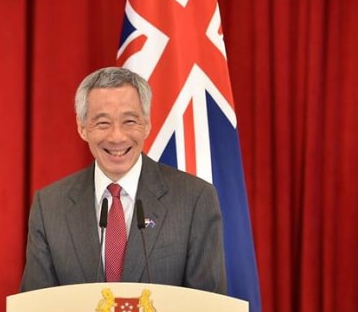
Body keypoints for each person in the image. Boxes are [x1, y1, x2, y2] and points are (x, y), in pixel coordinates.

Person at [20, 67, 226, 294]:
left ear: (147, 124)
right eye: (103, 123)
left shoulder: (194, 199)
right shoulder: (50, 206)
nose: (117, 137)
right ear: (82, 128)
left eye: (129, 121)